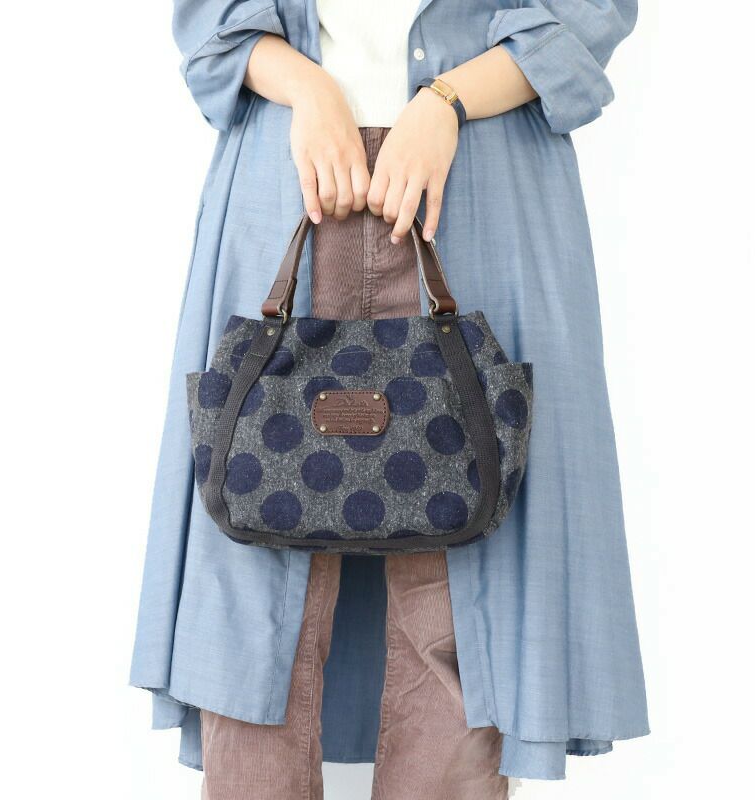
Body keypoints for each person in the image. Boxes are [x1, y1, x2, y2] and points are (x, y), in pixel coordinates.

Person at [130, 2, 650, 798]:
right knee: (251, 560)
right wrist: (310, 89)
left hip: (476, 187)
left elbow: (584, 17)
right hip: (291, 177)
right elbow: (216, 22)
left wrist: (445, 102)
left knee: (467, 574)